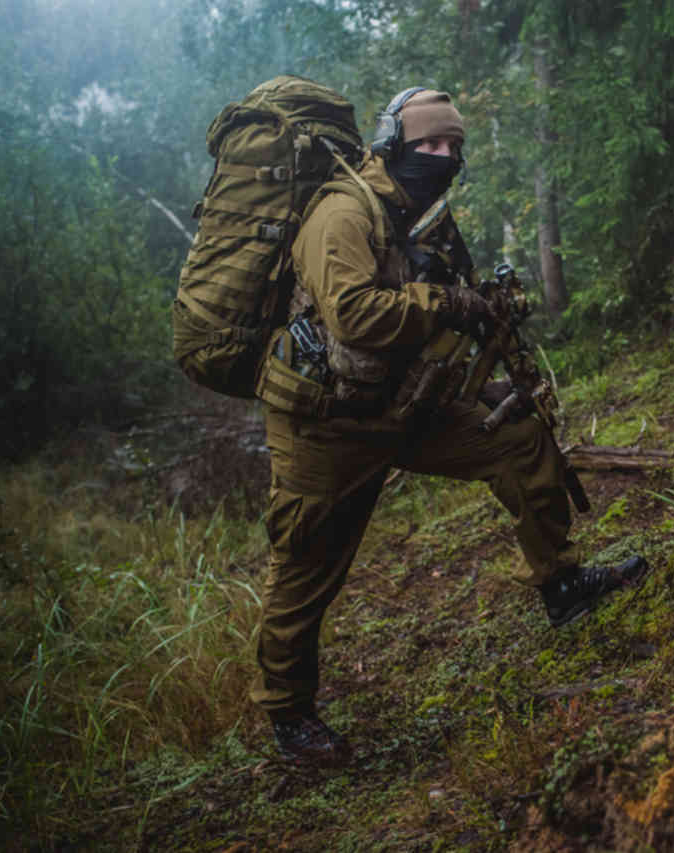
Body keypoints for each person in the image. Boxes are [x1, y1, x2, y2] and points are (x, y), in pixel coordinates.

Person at [252, 86, 647, 767]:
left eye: (452, 148)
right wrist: (447, 302)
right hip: (326, 423)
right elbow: (356, 316)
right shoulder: (343, 211)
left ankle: (562, 585)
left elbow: (436, 305)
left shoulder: (419, 216)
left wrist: (473, 326)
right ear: (392, 142)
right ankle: (290, 715)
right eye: (429, 143)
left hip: (404, 404)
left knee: (517, 437)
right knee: (307, 561)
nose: (441, 157)